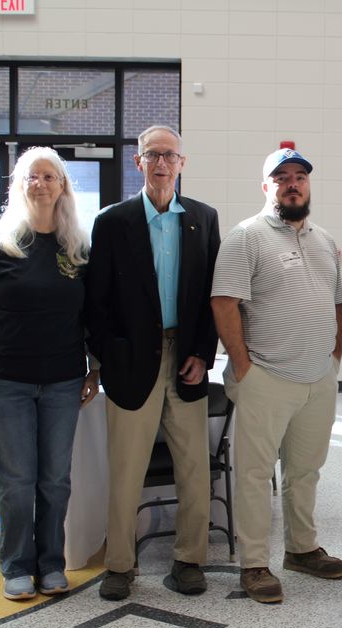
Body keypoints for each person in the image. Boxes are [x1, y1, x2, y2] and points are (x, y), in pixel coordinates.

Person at [85, 125, 221, 601]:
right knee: (125, 471)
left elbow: (211, 299)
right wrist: (106, 358)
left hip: (187, 360)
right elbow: (95, 302)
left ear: (182, 163)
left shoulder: (204, 219)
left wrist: (204, 353)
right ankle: (120, 566)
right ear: (137, 162)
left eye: (170, 155)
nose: (161, 163)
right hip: (130, 364)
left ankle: (189, 560)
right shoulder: (112, 221)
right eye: (152, 155)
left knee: (194, 470)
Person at [0, 147, 99, 600]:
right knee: (17, 482)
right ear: (20, 186)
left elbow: (92, 318)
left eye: (49, 177)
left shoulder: (77, 249)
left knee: (55, 480)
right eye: (31, 177)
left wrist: (94, 369)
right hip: (7, 382)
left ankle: (51, 565)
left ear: (62, 187)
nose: (40, 184)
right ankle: (16, 567)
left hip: (63, 382)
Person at [211, 147, 342, 604]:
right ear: (266, 186)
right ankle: (254, 563)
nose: (293, 183)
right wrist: (243, 365)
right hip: (265, 377)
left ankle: (302, 549)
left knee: (305, 470)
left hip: (317, 379)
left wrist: (335, 358)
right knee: (253, 473)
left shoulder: (325, 240)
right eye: (282, 176)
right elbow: (224, 302)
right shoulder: (245, 237)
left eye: (300, 177)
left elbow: (337, 302)